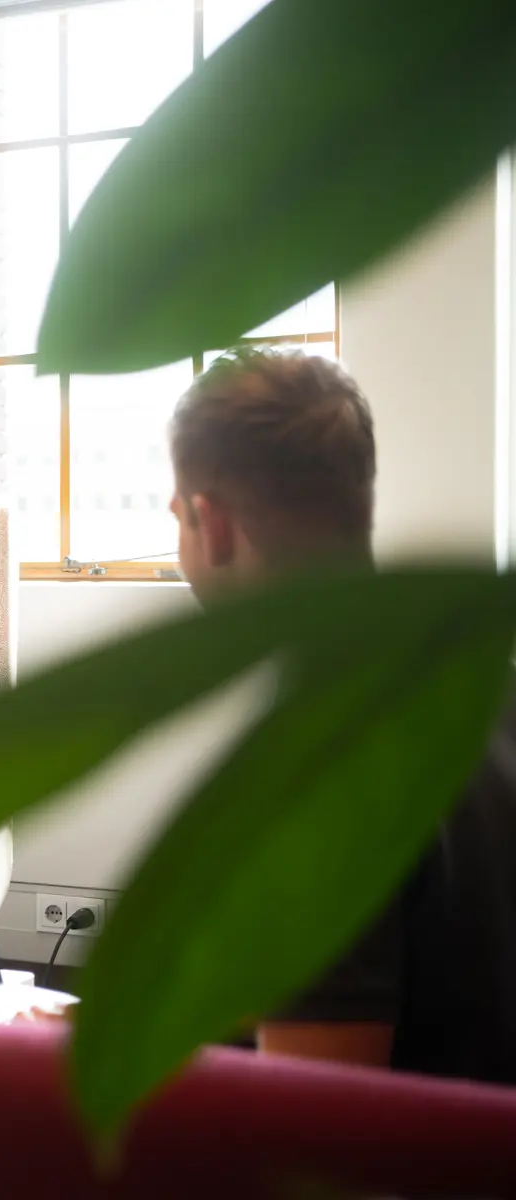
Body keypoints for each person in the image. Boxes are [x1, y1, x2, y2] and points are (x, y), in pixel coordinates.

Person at [170, 348, 516, 1084]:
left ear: (212, 522)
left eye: (177, 515)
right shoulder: (484, 682)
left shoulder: (312, 762)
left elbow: (315, 1122)